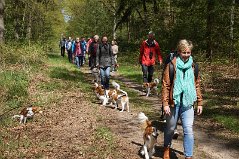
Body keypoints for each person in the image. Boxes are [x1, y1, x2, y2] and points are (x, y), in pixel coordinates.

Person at [162, 39, 203, 159]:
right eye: (184, 52)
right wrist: (165, 104)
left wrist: (199, 102)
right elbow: (166, 85)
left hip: (188, 103)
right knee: (170, 128)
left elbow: (197, 85)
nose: (186, 55)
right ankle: (166, 147)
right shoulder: (171, 66)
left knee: (188, 130)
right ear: (179, 52)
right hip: (173, 103)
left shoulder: (194, 67)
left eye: (188, 52)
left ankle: (188, 156)